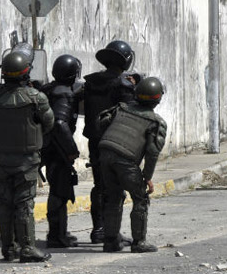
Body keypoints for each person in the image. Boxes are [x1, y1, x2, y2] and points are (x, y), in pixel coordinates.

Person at [0, 51, 54, 262]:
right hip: (27, 160)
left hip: (2, 159)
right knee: (24, 204)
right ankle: (27, 248)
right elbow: (48, 123)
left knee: (5, 202)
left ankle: (9, 248)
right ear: (26, 73)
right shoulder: (36, 98)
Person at [98, 76, 166, 253]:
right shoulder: (155, 122)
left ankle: (110, 241)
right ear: (158, 98)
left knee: (113, 197)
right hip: (125, 161)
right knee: (140, 198)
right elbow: (152, 152)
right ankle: (139, 243)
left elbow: (101, 124)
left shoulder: (120, 108)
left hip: (105, 154)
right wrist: (147, 177)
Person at [83, 40, 139, 244]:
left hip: (94, 140)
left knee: (99, 185)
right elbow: (132, 114)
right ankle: (111, 232)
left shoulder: (90, 82)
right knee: (115, 187)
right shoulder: (123, 85)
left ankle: (99, 228)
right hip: (116, 142)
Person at [40, 54, 83, 248]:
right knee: (59, 191)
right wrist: (71, 150)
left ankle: (60, 232)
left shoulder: (48, 89)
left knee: (59, 189)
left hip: (46, 146)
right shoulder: (64, 93)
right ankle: (56, 236)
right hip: (57, 149)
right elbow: (59, 123)